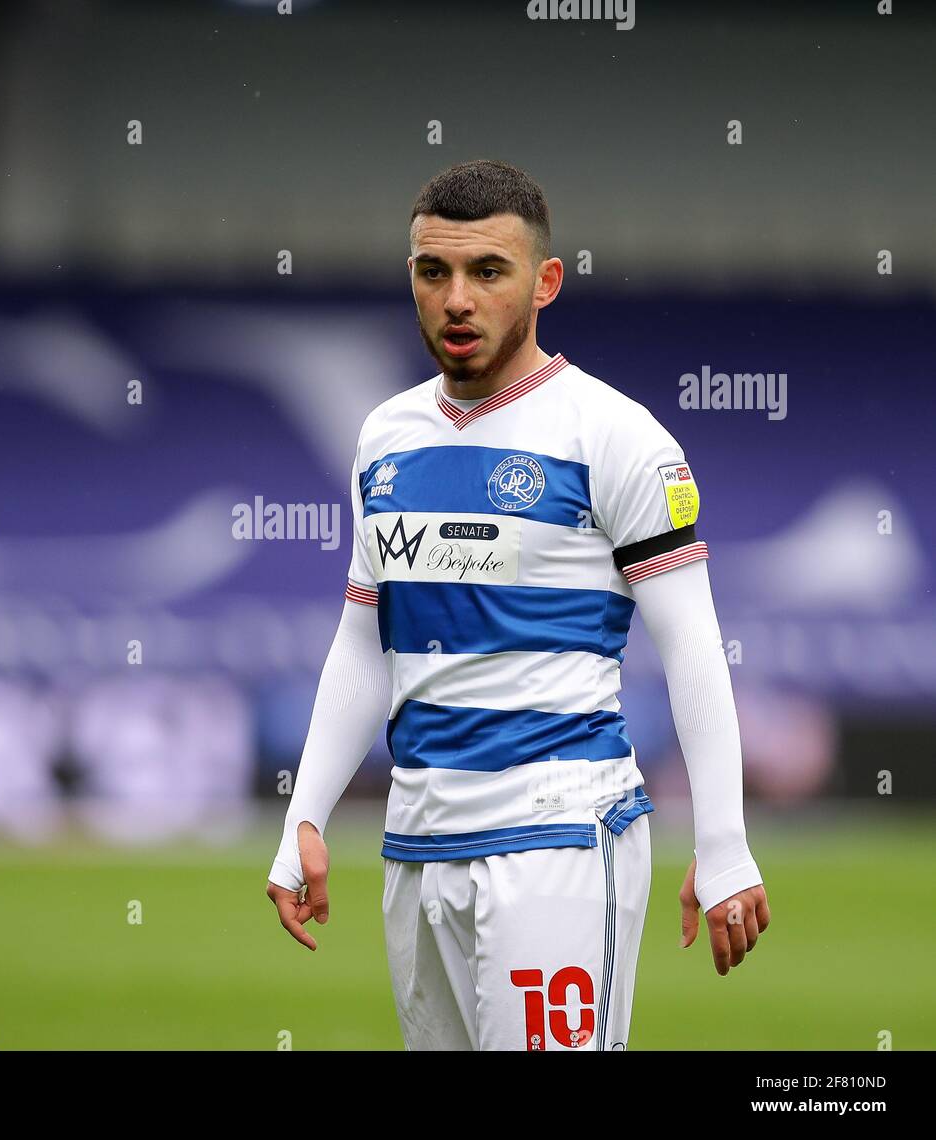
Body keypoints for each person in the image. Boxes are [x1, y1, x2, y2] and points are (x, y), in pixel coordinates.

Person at [265, 159, 770, 1051]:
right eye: (434, 272)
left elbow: (693, 645)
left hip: (561, 843)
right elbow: (361, 640)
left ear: (544, 283)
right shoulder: (385, 438)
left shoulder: (615, 436)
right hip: (415, 846)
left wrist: (724, 845)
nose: (457, 298)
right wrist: (305, 814)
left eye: (487, 271)